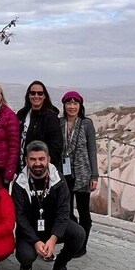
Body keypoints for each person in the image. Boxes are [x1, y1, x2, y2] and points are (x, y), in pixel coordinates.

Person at [12, 141, 85, 270]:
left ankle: (60, 265)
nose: (37, 163)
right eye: (32, 159)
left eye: (41, 159)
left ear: (48, 159)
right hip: (31, 228)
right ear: (26, 160)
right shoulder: (19, 183)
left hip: (52, 226)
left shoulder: (58, 180)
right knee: (25, 256)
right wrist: (35, 241)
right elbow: (19, 216)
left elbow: (64, 212)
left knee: (79, 233)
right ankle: (26, 264)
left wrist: (54, 238)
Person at [60, 91, 99, 258]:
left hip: (83, 173)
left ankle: (82, 245)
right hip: (64, 173)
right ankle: (74, 239)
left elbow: (92, 150)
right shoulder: (59, 123)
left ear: (80, 106)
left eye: (75, 103)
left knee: (84, 212)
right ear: (64, 105)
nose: (72, 106)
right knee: (67, 212)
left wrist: (94, 175)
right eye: (69, 103)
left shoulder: (86, 124)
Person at [17, 81, 63, 172]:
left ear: (45, 96)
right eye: (33, 93)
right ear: (28, 95)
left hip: (41, 168)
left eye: (40, 93)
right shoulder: (21, 115)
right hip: (22, 167)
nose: (36, 96)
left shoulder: (51, 117)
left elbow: (56, 146)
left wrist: (43, 165)